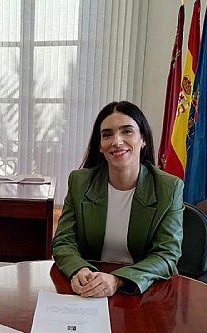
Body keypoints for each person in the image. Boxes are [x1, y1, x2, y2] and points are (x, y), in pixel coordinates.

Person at [52, 101, 183, 297]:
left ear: (143, 139)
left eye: (127, 131)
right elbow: (63, 241)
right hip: (89, 288)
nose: (117, 141)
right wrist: (79, 269)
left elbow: (167, 255)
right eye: (107, 134)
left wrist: (118, 279)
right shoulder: (80, 182)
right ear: (100, 146)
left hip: (142, 291)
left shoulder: (169, 188)